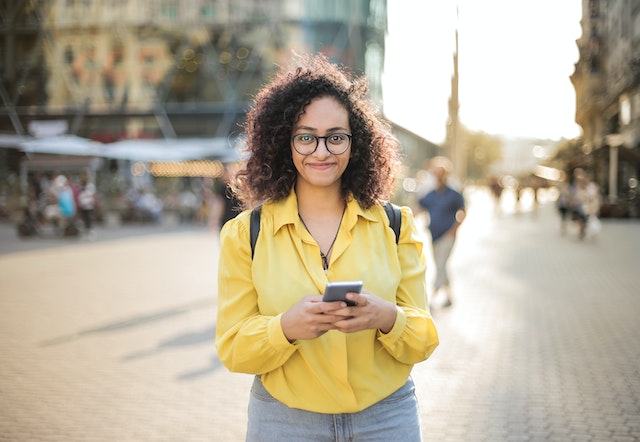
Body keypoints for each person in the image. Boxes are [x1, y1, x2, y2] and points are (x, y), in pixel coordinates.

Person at [215, 53, 439, 441]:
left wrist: (387, 317)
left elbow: (423, 337)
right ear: (283, 142)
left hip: (386, 416)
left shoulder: (395, 224)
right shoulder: (244, 234)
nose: (321, 152)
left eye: (336, 137)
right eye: (306, 137)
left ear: (356, 143)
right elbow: (233, 348)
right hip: (283, 421)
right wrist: (285, 328)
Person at [418, 157, 465, 308]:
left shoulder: (454, 194)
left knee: (440, 264)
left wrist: (453, 230)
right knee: (441, 266)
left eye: (441, 173)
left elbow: (463, 212)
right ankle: (449, 297)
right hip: (434, 236)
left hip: (447, 236)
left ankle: (432, 296)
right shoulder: (431, 194)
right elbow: (418, 208)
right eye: (436, 173)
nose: (438, 176)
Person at [568, 168, 601, 240]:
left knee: (584, 220)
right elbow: (576, 195)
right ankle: (580, 232)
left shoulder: (592, 186)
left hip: (587, 207)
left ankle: (582, 231)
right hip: (579, 206)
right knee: (580, 220)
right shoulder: (575, 185)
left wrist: (594, 207)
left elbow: (595, 197)